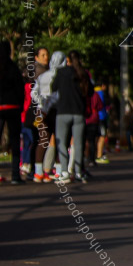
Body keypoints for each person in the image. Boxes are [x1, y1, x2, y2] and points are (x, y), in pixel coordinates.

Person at [0, 41, 26, 185]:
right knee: (14, 140)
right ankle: (15, 175)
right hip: (12, 106)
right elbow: (20, 89)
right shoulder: (13, 68)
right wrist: (20, 105)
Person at [51, 51, 90, 183]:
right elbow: (90, 92)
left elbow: (53, 88)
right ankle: (78, 172)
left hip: (63, 111)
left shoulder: (61, 73)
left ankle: (64, 171)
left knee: (62, 143)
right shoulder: (83, 73)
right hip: (79, 113)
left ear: (67, 59)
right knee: (78, 144)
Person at [32, 51, 65, 182]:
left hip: (41, 111)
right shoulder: (62, 76)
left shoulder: (43, 76)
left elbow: (33, 93)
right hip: (56, 111)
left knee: (43, 140)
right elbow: (58, 95)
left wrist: (41, 101)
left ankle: (38, 173)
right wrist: (50, 102)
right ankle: (58, 172)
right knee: (59, 140)